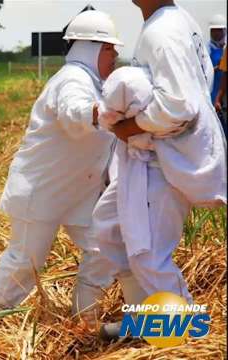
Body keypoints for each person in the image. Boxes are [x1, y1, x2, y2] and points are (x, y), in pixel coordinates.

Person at [0, 10, 122, 331]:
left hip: (77, 193)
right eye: (109, 49)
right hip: (42, 192)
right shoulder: (72, 80)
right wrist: (104, 112)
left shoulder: (95, 84)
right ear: (90, 48)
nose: (116, 55)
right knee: (24, 264)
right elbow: (73, 113)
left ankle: (84, 318)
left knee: (106, 247)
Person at [95, 0, 227, 340]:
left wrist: (131, 126)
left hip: (162, 158)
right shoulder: (175, 21)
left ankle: (186, 334)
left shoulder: (162, 31)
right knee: (110, 226)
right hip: (156, 153)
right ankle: (149, 319)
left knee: (149, 255)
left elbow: (179, 105)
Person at [208, 14, 226, 105]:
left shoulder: (225, 48)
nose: (216, 33)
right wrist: (217, 67)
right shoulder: (207, 48)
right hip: (212, 93)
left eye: (219, 30)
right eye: (214, 30)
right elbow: (203, 72)